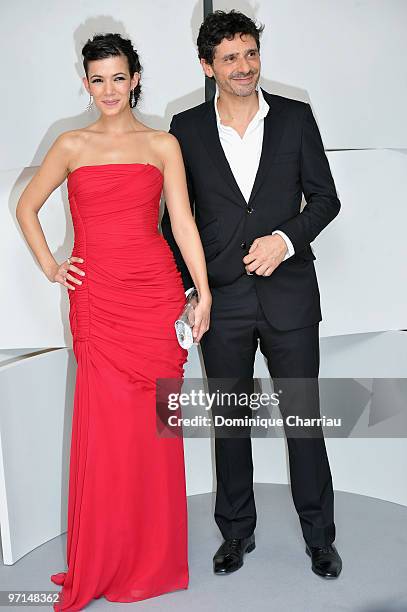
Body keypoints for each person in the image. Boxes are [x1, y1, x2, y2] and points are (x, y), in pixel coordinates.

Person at [16, 33, 211, 610]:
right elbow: (27, 206)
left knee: (156, 427)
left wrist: (201, 294)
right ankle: (105, 554)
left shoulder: (162, 144)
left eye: (118, 77)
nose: (108, 89)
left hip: (153, 296)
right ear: (85, 82)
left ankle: (152, 557)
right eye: (97, 78)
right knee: (106, 432)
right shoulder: (70, 143)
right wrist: (53, 266)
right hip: (98, 301)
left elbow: (182, 223)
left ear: (135, 79)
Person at [161, 10, 342, 578]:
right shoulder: (184, 128)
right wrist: (193, 287)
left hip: (290, 296)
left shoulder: (295, 118)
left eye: (250, 54)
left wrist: (285, 240)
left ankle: (320, 538)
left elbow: (325, 199)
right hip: (222, 299)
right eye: (231, 58)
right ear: (207, 66)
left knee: (304, 422)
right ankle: (236, 534)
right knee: (229, 425)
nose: (244, 67)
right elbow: (175, 220)